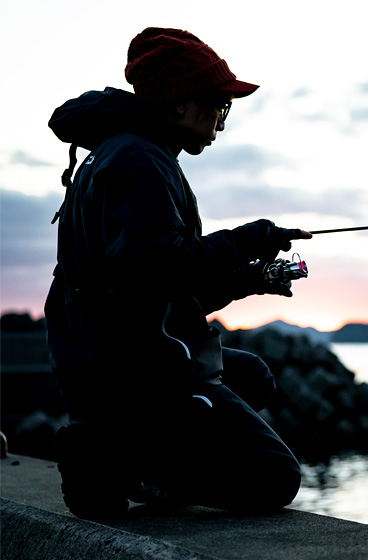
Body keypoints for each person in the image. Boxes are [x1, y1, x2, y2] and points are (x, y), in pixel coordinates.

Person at [45, 27, 310, 518]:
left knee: (250, 375)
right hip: (131, 366)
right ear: (180, 102)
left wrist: (249, 280)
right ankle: (113, 463)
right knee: (276, 478)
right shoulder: (139, 160)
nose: (221, 123)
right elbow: (159, 263)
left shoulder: (124, 152)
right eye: (219, 106)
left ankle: (133, 456)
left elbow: (154, 288)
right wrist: (248, 238)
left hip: (115, 354)